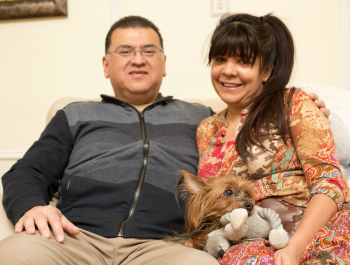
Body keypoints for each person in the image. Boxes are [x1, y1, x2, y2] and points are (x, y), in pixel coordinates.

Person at [0, 15, 329, 265]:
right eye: (125, 50)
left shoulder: (201, 118)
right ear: (106, 64)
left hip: (164, 245)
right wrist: (32, 206)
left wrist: (296, 111)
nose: (138, 58)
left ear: (164, 63)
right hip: (73, 238)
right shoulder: (75, 114)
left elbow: (250, 118)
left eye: (148, 50)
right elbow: (26, 172)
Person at [195, 13, 350, 265]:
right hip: (249, 239)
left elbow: (330, 184)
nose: (228, 71)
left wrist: (294, 247)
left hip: (315, 229)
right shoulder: (206, 129)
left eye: (243, 62)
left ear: (266, 70)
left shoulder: (293, 104)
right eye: (220, 59)